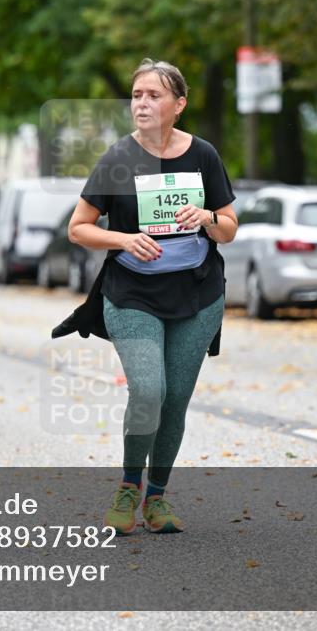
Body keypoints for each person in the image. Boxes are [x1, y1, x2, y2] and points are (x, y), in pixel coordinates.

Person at [63, 59, 238, 535]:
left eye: (153, 95)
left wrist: (204, 217)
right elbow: (78, 228)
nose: (141, 102)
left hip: (197, 296)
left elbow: (228, 229)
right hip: (133, 293)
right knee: (149, 391)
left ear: (177, 105)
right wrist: (122, 239)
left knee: (176, 399)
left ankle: (157, 498)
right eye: (137, 94)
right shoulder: (118, 159)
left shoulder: (203, 155)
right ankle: (127, 487)